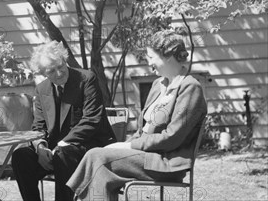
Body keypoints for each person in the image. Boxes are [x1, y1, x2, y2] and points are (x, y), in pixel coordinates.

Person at [67, 30, 208, 201]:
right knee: (97, 159)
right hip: (145, 157)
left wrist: (128, 147)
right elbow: (142, 131)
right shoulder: (158, 84)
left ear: (168, 56)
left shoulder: (190, 87)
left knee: (98, 156)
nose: (149, 63)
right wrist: (123, 145)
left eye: (151, 57)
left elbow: (172, 138)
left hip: (166, 163)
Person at [11, 41, 117, 201]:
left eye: (61, 66)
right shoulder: (41, 89)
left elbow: (92, 120)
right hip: (55, 150)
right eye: (51, 71)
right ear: (43, 73)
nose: (59, 73)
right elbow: (38, 127)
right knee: (21, 156)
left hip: (87, 146)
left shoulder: (86, 79)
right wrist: (40, 148)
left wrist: (61, 145)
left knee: (63, 154)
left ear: (65, 60)